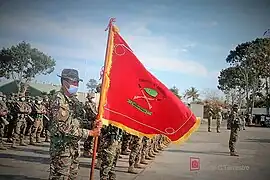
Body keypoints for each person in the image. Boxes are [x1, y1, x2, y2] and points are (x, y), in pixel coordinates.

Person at [49, 69, 102, 179]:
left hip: (73, 148)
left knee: (72, 176)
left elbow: (79, 121)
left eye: (77, 82)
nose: (76, 85)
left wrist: (92, 124)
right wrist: (90, 132)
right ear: (64, 82)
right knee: (60, 176)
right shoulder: (59, 99)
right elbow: (61, 127)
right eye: (74, 82)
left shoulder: (74, 101)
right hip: (62, 149)